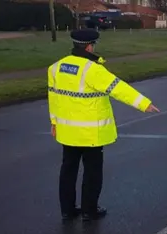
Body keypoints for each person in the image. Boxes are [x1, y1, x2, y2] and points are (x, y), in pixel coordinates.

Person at [48, 28, 160, 222]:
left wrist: (54, 122)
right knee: (92, 173)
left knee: (68, 170)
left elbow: (54, 98)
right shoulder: (92, 70)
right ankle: (89, 210)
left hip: (67, 132)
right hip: (91, 133)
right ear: (90, 46)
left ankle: (67, 210)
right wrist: (144, 104)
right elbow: (118, 88)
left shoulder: (56, 67)